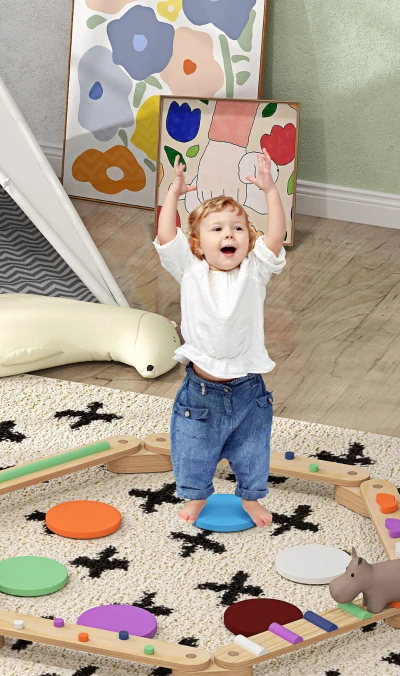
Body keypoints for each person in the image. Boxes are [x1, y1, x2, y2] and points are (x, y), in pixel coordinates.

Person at [154, 149, 287, 527]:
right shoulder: (190, 267)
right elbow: (165, 236)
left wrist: (270, 191)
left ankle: (251, 498)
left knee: (252, 451)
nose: (229, 233)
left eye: (238, 228)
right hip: (201, 391)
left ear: (249, 239)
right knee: (193, 451)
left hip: (248, 390)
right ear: (197, 243)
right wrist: (173, 194)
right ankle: (197, 496)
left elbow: (276, 235)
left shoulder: (255, 269)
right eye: (217, 229)